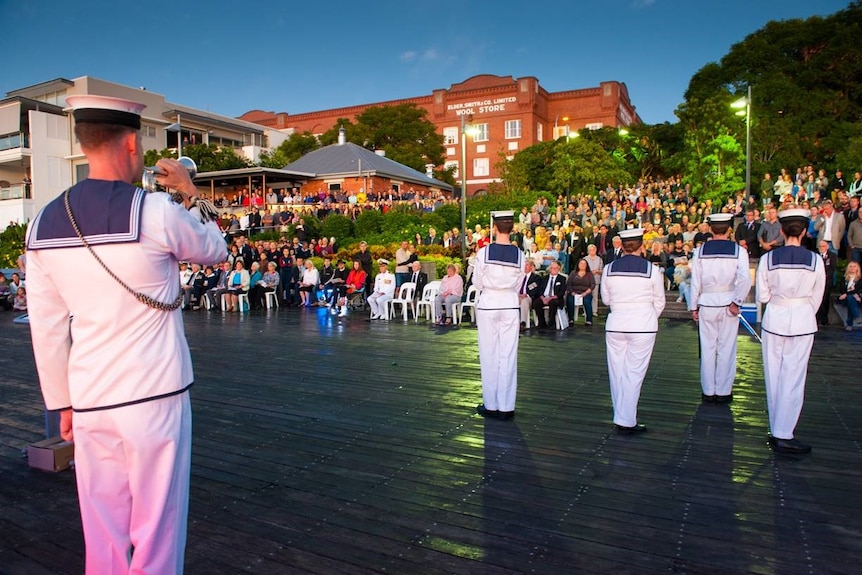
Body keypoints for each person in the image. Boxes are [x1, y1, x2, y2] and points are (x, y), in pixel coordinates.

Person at [25, 94, 226, 575]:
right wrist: (191, 189)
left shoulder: (42, 223)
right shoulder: (156, 209)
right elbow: (215, 250)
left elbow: (47, 327)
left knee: (103, 533)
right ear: (132, 143)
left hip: (91, 398)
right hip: (155, 394)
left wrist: (62, 404)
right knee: (158, 530)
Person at [756, 208, 825, 454]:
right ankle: (784, 432)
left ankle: (777, 428)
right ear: (805, 231)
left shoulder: (767, 260)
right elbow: (817, 297)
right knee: (794, 378)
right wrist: (803, 312)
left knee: (773, 375)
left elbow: (762, 295)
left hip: (775, 318)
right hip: (802, 321)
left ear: (782, 231)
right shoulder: (816, 260)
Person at [600, 228, 666, 435]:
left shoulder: (609, 269)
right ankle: (626, 420)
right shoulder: (652, 270)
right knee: (634, 374)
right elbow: (660, 301)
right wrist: (646, 317)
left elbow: (606, 300)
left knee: (617, 372)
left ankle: (621, 415)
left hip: (616, 323)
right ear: (641, 245)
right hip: (643, 325)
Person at [688, 213, 752, 404]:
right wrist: (737, 302)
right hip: (728, 303)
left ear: (711, 228)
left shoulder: (699, 251)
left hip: (707, 302)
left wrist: (693, 306)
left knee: (707, 348)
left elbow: (695, 282)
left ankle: (708, 390)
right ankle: (723, 391)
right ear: (729, 229)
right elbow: (745, 279)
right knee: (727, 348)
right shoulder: (739, 251)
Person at [473, 211, 524, 421]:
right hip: (510, 304)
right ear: (511, 229)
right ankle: (506, 406)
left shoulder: (483, 253)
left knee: (489, 355)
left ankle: (491, 404)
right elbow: (520, 283)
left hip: (489, 304)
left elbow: (477, 282)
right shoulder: (520, 254)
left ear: (494, 228)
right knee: (508, 355)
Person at [531, 260, 566, 330]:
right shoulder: (544, 278)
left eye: (556, 268)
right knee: (536, 303)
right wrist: (543, 298)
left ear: (559, 269)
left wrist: (551, 298)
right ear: (550, 269)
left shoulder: (562, 279)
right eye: (552, 268)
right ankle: (542, 323)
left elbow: (562, 292)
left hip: (555, 298)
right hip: (544, 296)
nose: (554, 270)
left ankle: (551, 323)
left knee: (553, 303)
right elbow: (540, 290)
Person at [565, 258, 595, 326]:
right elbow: (569, 284)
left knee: (587, 301)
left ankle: (589, 320)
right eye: (581, 263)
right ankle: (571, 319)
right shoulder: (573, 273)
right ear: (578, 265)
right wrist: (572, 292)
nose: (583, 265)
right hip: (574, 292)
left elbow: (592, 285)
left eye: (584, 264)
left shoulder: (589, 274)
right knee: (570, 300)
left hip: (585, 293)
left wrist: (586, 293)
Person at [816, 240, 837, 325]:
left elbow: (832, 268)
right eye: (820, 246)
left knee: (825, 300)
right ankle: (817, 318)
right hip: (817, 282)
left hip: (827, 281)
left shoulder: (832, 256)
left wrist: (824, 276)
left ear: (827, 247)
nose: (821, 248)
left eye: (823, 246)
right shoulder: (816, 255)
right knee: (817, 300)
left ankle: (824, 319)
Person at [836, 261, 861, 331]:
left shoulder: (860, 279)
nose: (852, 268)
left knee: (851, 299)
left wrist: (847, 294)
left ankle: (849, 324)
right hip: (846, 299)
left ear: (857, 269)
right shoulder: (844, 279)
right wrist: (851, 294)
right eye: (851, 266)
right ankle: (856, 317)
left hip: (857, 299)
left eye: (854, 266)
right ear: (848, 268)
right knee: (851, 298)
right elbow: (842, 289)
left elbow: (858, 289)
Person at [517, 260, 542, 330]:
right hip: (518, 296)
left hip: (529, 297)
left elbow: (535, 290)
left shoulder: (536, 278)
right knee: (510, 300)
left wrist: (527, 295)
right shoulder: (518, 277)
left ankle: (522, 323)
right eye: (524, 265)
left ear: (531, 267)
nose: (525, 267)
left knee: (524, 301)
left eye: (527, 265)